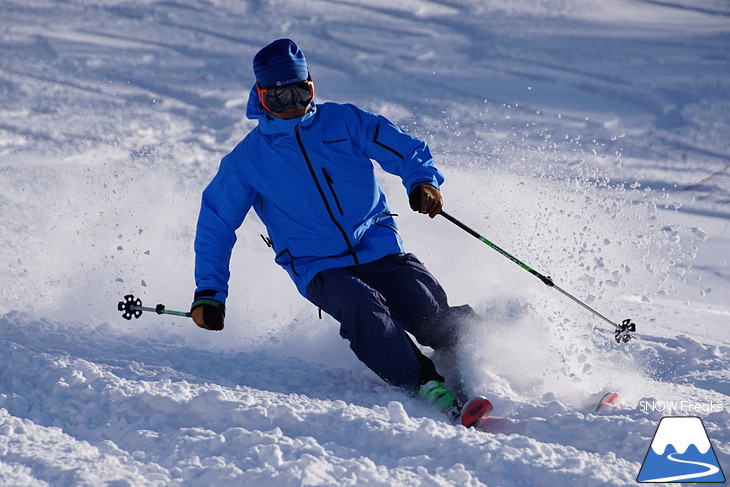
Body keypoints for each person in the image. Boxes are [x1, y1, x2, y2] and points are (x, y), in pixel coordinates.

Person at [191, 38, 479, 423]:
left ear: (312, 87)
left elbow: (406, 149)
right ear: (261, 98)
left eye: (300, 92)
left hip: (379, 246)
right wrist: (210, 292)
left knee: (428, 313)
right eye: (279, 98)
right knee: (364, 308)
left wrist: (422, 181)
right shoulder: (248, 161)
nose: (292, 106)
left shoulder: (345, 122)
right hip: (318, 266)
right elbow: (216, 222)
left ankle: (478, 352)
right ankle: (424, 383)